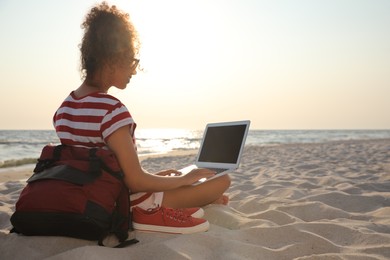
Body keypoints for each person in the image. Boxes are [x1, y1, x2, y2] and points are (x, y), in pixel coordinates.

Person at [53, 2, 230, 234]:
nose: (134, 70)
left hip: (89, 198)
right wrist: (185, 180)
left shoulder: (63, 109)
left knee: (185, 180)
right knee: (222, 181)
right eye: (132, 60)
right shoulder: (111, 110)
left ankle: (191, 197)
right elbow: (135, 182)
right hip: (127, 204)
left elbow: (98, 169)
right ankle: (192, 199)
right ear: (112, 58)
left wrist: (156, 177)